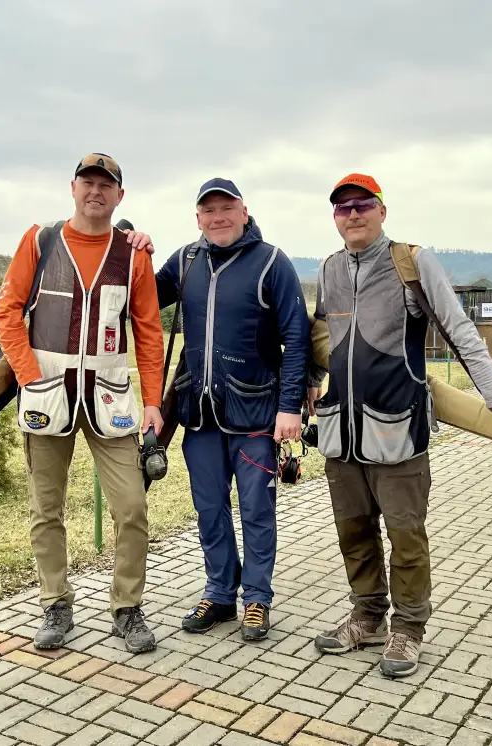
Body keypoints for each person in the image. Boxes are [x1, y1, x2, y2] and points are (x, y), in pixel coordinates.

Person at [308, 174, 492, 677]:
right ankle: (367, 616)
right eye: (343, 207)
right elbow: (320, 337)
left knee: (405, 534)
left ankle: (409, 628)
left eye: (363, 204)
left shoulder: (411, 261)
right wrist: (307, 386)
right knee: (353, 531)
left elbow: (459, 330)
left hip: (398, 428)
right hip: (341, 432)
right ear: (335, 218)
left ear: (382, 210)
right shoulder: (328, 268)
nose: (353, 214)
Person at [0, 153, 163, 654]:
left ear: (119, 196)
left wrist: (153, 402)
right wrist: (30, 377)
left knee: (132, 507)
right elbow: (7, 314)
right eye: (88, 182)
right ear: (72, 188)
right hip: (47, 398)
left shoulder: (134, 255)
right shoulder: (40, 241)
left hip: (111, 401)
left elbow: (149, 333)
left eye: (106, 185)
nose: (96, 191)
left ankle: (126, 609)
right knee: (46, 509)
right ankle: (55, 605)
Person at [155, 178, 310, 641]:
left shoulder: (272, 262)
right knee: (209, 509)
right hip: (199, 414)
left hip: (256, 414)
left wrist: (290, 408)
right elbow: (141, 296)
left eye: (227, 208)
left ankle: (257, 598)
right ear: (197, 218)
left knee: (256, 509)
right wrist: (129, 248)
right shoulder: (184, 261)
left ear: (244, 212)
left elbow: (296, 338)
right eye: (209, 210)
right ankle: (220, 593)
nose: (218, 217)